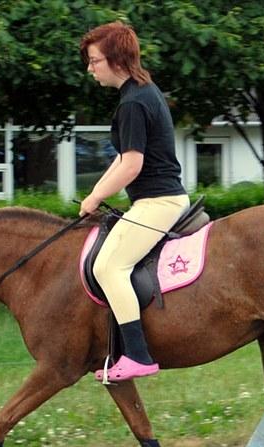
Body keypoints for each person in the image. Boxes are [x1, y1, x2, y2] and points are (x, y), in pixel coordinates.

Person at [79, 21, 189, 382]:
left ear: (116, 60)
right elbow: (125, 157)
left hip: (158, 203)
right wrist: (95, 192)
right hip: (158, 199)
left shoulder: (132, 104)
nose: (90, 69)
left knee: (108, 267)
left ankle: (139, 357)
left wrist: (96, 195)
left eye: (94, 61)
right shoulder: (143, 92)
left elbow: (132, 164)